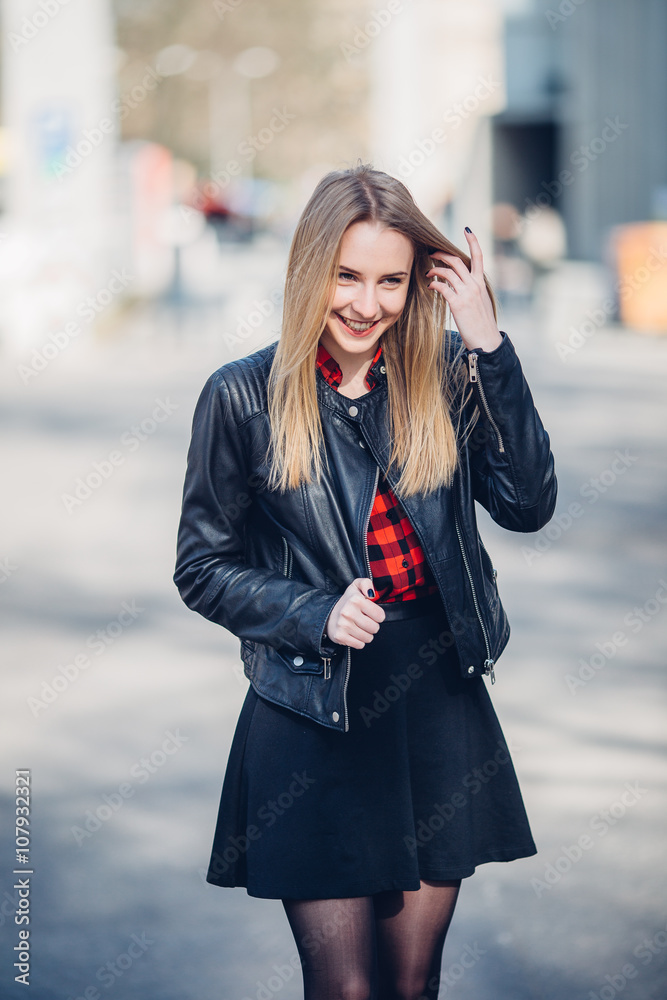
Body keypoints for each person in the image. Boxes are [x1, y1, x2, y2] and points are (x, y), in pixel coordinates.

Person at [173, 163, 557, 999]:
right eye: (346, 276)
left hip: (436, 698)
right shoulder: (241, 396)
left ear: (418, 284)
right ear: (309, 270)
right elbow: (200, 567)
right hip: (312, 704)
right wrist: (311, 612)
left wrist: (488, 347)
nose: (365, 303)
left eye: (390, 281)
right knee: (345, 990)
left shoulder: (447, 372)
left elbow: (527, 505)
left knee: (411, 984)